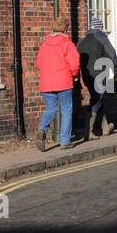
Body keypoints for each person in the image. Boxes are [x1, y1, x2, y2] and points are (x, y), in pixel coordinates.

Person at [34, 16, 80, 151]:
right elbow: (75, 64)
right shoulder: (67, 44)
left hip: (46, 83)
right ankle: (64, 141)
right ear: (66, 30)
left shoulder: (44, 44)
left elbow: (38, 64)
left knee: (50, 110)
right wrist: (75, 75)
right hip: (63, 82)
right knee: (66, 110)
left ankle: (42, 129)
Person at [77, 17, 117, 140]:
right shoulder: (102, 38)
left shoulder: (81, 42)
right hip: (100, 75)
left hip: (86, 76)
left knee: (97, 97)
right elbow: (112, 55)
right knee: (96, 99)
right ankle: (88, 131)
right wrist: (115, 70)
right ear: (100, 28)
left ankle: (105, 128)